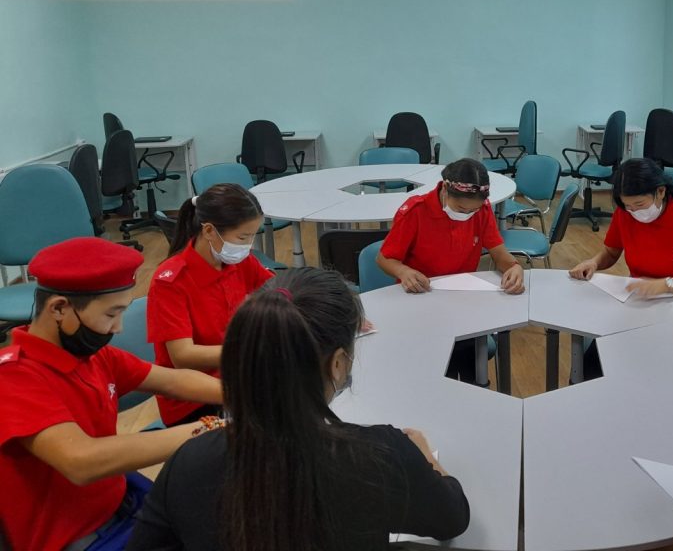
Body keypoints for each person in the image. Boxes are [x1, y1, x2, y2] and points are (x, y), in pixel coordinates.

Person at [127, 268, 471, 551]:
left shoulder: (188, 462)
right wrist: (427, 459)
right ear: (338, 363)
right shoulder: (380, 456)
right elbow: (452, 518)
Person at [0, 237, 223, 551]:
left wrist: (245, 395)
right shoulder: (13, 377)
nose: (118, 328)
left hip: (120, 503)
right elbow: (82, 461)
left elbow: (173, 381)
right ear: (59, 308)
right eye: (111, 314)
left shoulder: (91, 356)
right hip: (79, 538)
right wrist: (214, 427)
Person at [376, 158, 525, 382]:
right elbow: (384, 258)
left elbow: (499, 253)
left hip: (461, 301)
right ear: (445, 189)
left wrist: (514, 267)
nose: (466, 214)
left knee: (469, 357)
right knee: (434, 367)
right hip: (420, 299)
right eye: (461, 208)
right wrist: (404, 272)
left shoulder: (481, 210)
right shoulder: (416, 211)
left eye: (472, 210)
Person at [147, 183, 274, 425]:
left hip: (233, 377)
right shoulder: (171, 282)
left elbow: (278, 289)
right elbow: (183, 356)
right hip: (192, 400)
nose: (248, 245)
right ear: (208, 231)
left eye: (252, 236)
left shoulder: (237, 262)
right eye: (243, 237)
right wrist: (250, 349)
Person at [569, 158, 673, 298]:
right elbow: (611, 253)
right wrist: (594, 262)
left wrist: (665, 285)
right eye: (628, 205)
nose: (634, 211)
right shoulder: (625, 213)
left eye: (640, 204)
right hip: (641, 296)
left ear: (660, 192)